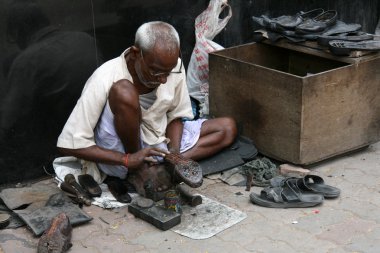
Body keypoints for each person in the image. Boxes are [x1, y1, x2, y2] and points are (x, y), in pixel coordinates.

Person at [57, 21, 237, 199]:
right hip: (122, 150)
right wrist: (128, 160)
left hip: (158, 142)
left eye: (168, 72)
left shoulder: (173, 66)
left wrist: (174, 154)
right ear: (136, 54)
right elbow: (69, 143)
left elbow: (176, 117)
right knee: (124, 91)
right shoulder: (105, 76)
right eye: (156, 72)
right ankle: (139, 170)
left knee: (227, 128)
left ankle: (165, 167)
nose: (164, 80)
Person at [0, 0, 101, 184]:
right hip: (93, 137)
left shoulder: (28, 61)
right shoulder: (84, 39)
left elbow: (9, 121)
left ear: (21, 31)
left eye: (13, 36)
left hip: (52, 149)